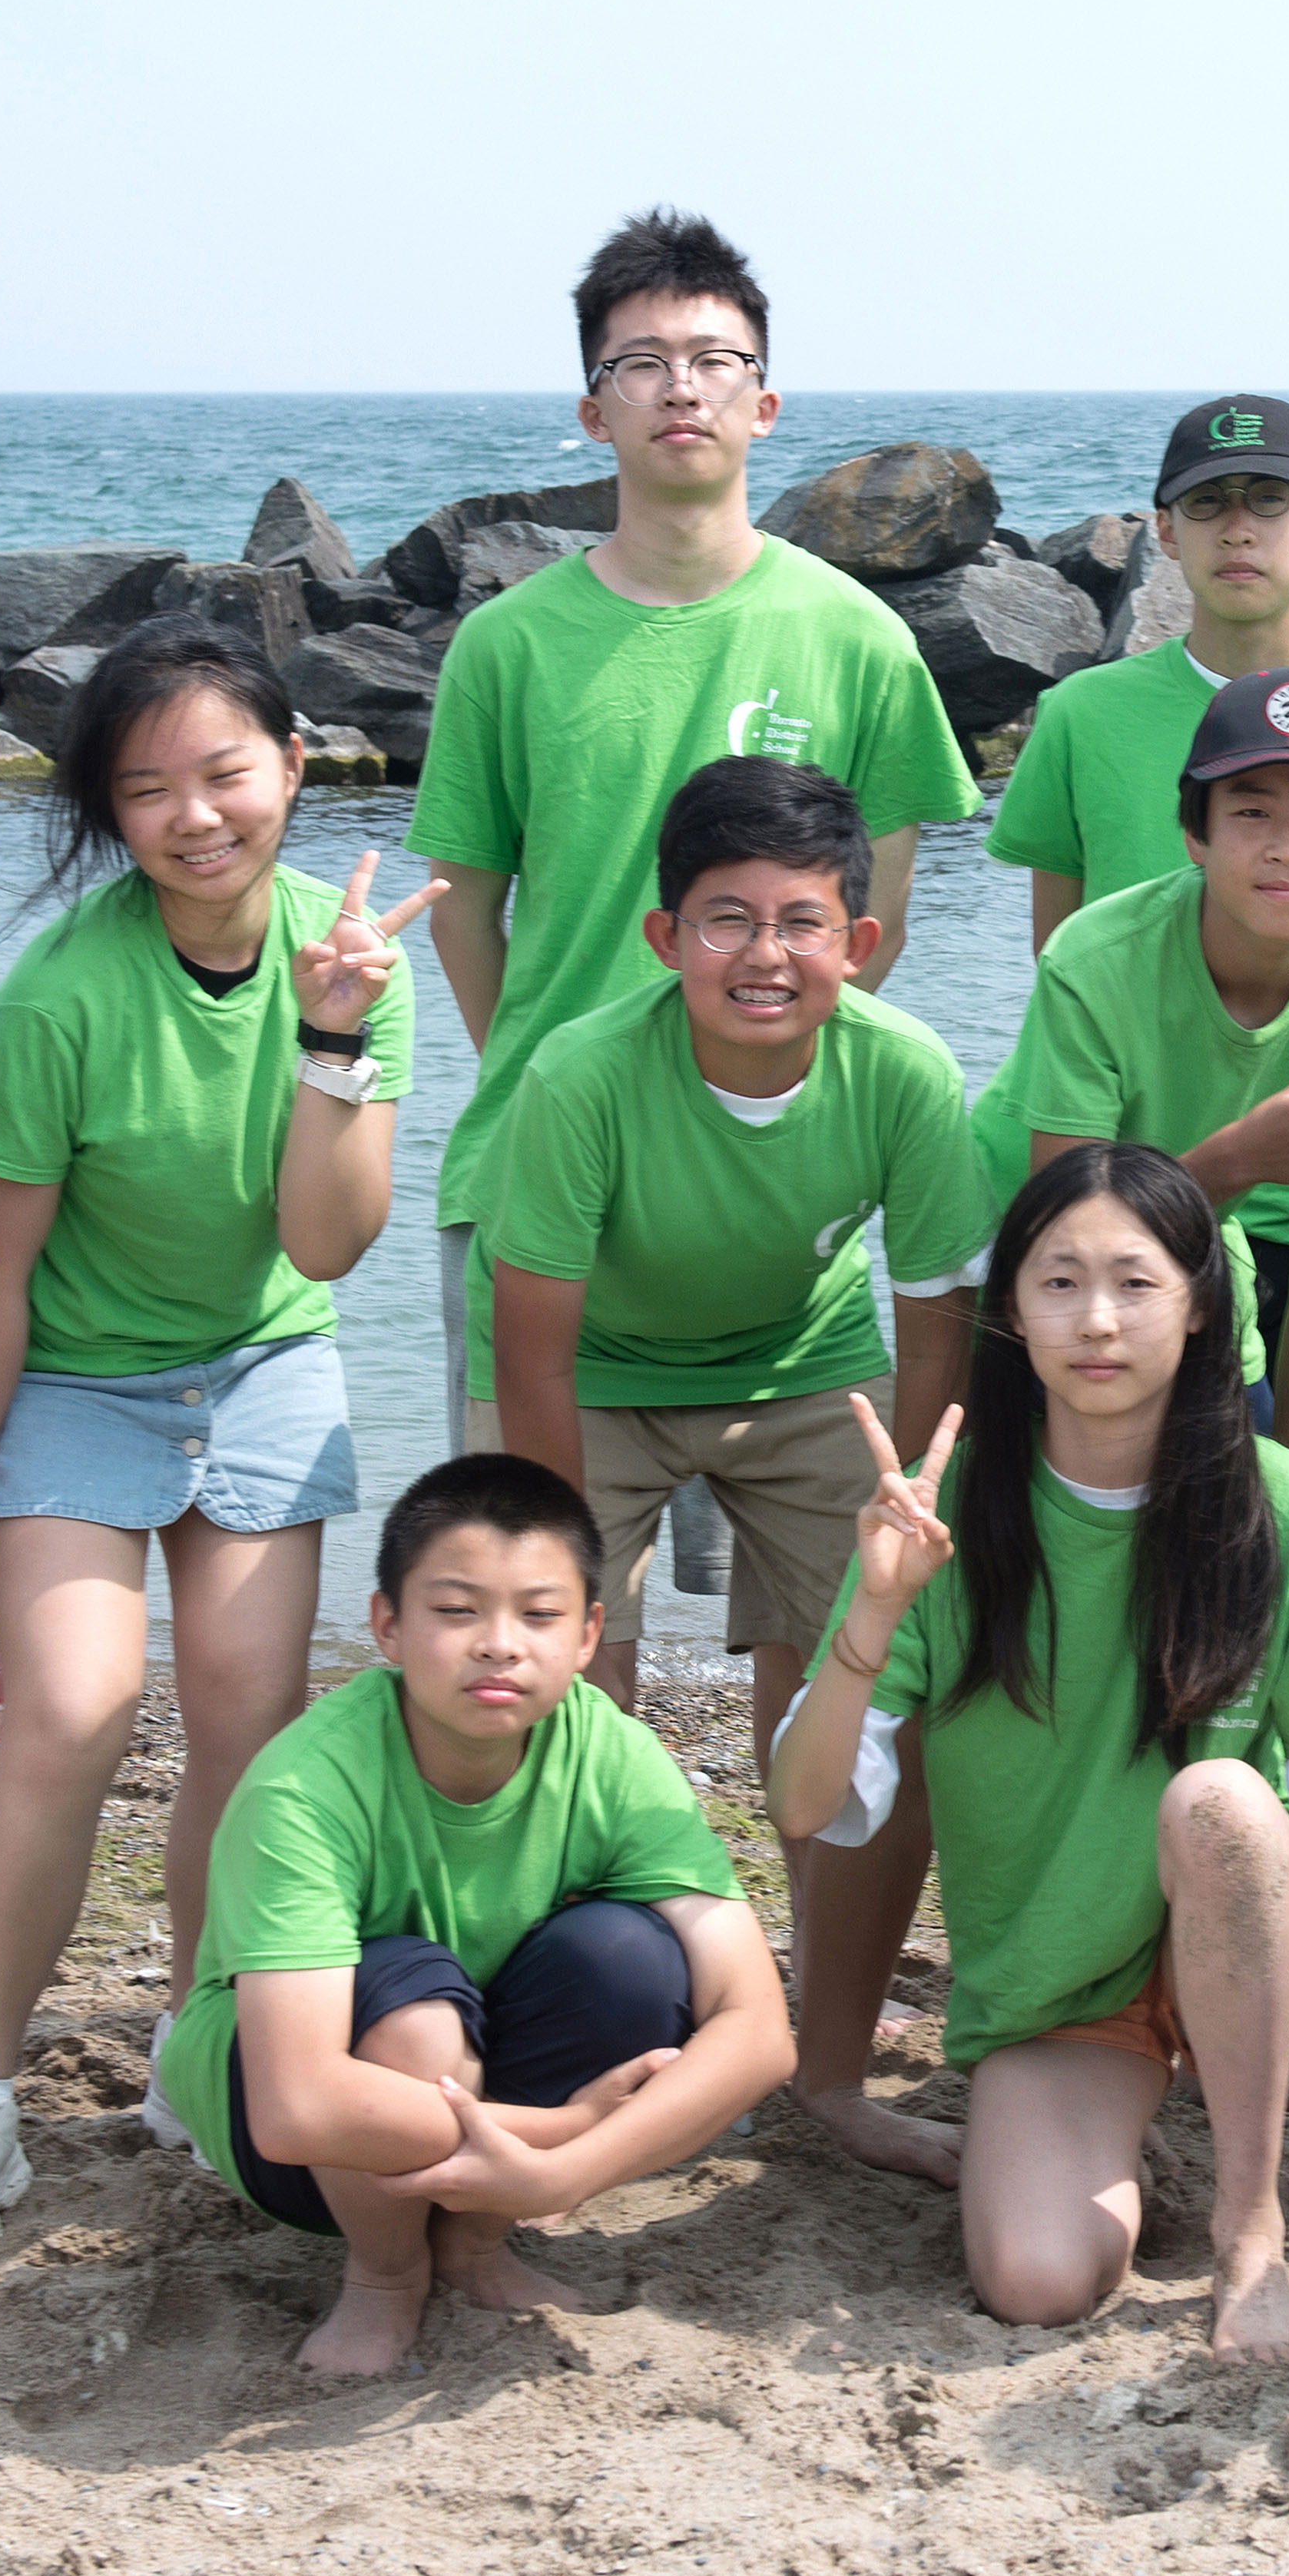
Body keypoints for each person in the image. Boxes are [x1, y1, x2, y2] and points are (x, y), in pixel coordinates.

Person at [0, 622, 426, 2251]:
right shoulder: (59, 996)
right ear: (106, 815)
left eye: (224, 773)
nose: (195, 816)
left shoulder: (356, 957)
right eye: (146, 789)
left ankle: (196, 2058)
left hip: (263, 1357)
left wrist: (335, 1037)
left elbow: (327, 1247)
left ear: (290, 765)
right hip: (73, 1377)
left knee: (250, 1719)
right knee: (75, 1703)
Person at [770, 1145, 1289, 2356]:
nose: (1097, 1320)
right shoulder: (952, 1517)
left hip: (1259, 1914)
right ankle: (1180, 2068)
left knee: (1222, 1802)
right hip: (1061, 1984)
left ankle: (1250, 2228)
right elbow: (804, 1801)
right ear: (1013, 1314)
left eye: (1135, 1283)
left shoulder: (1288, 1509)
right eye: (1058, 1282)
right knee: (1035, 2278)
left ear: (1200, 1307)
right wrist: (874, 1616)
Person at [478, 755, 991, 2184]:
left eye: (801, 922)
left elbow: (938, 1310)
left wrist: (916, 1499)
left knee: (864, 1698)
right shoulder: (584, 1073)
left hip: (806, 1374)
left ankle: (826, 2063)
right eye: (726, 919)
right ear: (664, 938)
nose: (765, 956)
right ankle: (589, 2039)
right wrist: (559, 1574)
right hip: (592, 1380)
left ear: (858, 941)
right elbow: (530, 1343)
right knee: (566, 1695)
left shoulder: (902, 1070)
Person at [409, 204, 981, 1463]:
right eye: (641, 364)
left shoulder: (857, 637)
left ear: (763, 405)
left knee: (808, 1624)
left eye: (715, 361)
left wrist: (765, 1071)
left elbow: (877, 899)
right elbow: (462, 904)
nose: (682, 390)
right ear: (592, 409)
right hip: (538, 1174)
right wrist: (564, 1083)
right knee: (537, 1599)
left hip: (777, 1198)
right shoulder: (508, 645)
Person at [153, 1457, 794, 2375]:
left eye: (538, 1614)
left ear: (588, 1634)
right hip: (283, 2134)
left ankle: (475, 2246)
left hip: (469, 2073)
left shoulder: (612, 1751)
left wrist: (568, 2178)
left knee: (632, 1959)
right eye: (456, 1610)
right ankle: (384, 2276)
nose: (500, 1643)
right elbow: (297, 2106)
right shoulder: (306, 1783)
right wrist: (567, 2134)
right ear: (387, 1625)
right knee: (413, 2011)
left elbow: (762, 2033)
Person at [970, 664, 1289, 1455]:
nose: (1288, 848)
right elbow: (1067, 1234)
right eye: (1252, 811)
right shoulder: (1095, 960)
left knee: (1240, 1514)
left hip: (1195, 1241)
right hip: (1028, 1238)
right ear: (1195, 832)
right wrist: (1240, 1158)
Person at [989, 393, 1289, 959]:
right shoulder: (1078, 714)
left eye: (1269, 499)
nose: (1237, 529)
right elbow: (1058, 961)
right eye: (1206, 501)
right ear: (1165, 531)